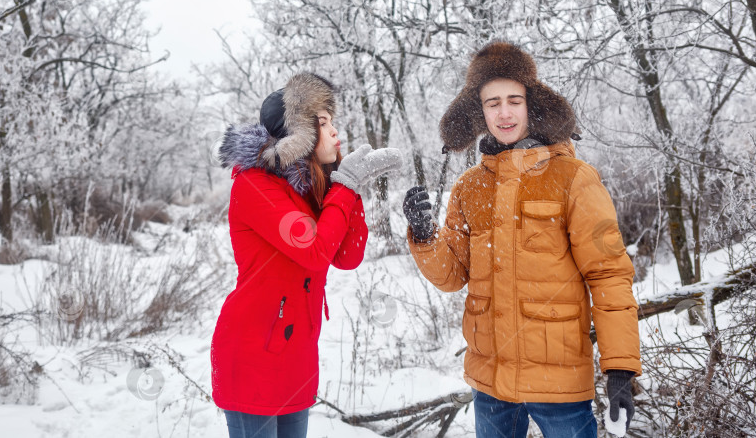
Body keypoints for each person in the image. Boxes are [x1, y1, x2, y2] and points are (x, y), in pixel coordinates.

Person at [402, 42, 641, 438]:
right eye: (492, 103)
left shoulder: (574, 178)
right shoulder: (470, 186)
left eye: (514, 99)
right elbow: (451, 276)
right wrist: (424, 236)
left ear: (533, 103)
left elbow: (609, 274)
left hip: (559, 385)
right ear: (480, 112)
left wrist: (620, 368)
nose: (505, 112)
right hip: (491, 385)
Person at [211, 72, 402, 438]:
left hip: (295, 356)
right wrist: (344, 188)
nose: (334, 132)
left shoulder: (308, 186)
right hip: (252, 356)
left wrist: (350, 187)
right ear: (299, 136)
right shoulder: (256, 186)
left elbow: (346, 256)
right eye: (324, 124)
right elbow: (313, 251)